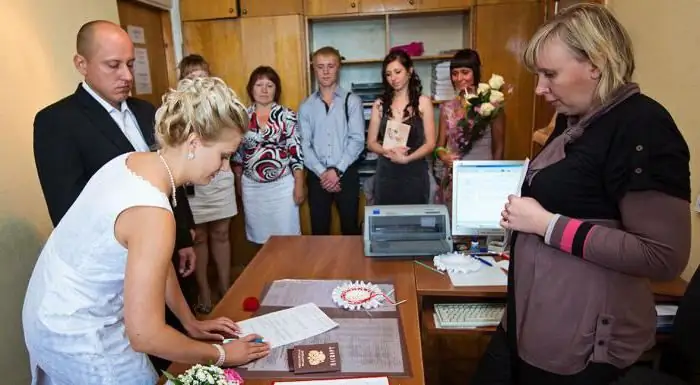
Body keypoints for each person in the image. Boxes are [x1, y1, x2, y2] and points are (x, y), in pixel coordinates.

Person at [471, 4, 691, 385]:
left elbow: (662, 256)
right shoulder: (574, 121)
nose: (539, 88)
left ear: (597, 63)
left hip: (579, 345)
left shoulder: (642, 126)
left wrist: (546, 225)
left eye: (549, 74)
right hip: (528, 323)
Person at [23, 76, 270, 385]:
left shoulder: (133, 161)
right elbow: (145, 336)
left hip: (47, 305)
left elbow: (156, 260)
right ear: (193, 142)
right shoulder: (153, 213)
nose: (223, 169)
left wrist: (189, 322)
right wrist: (223, 354)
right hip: (78, 330)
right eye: (223, 155)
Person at [32, 20, 198, 371]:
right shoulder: (57, 122)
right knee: (135, 351)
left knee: (169, 346)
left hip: (160, 253)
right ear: (82, 64)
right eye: (113, 65)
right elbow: (68, 210)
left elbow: (168, 178)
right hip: (113, 272)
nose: (126, 75)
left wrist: (181, 236)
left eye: (130, 64)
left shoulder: (145, 111)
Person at [177, 54, 237, 315]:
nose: (197, 82)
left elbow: (234, 135)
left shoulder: (221, 104)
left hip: (220, 176)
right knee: (198, 237)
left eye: (202, 76)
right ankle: (203, 291)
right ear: (182, 81)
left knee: (222, 234)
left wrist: (224, 157)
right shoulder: (175, 109)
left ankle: (225, 288)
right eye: (191, 77)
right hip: (192, 181)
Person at [232, 66, 303, 247]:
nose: (264, 90)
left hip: (282, 187)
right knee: (259, 240)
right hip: (253, 188)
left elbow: (296, 153)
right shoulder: (241, 117)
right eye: (259, 85)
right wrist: (239, 183)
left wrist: (299, 184)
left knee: (287, 239)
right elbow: (237, 155)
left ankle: (288, 274)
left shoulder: (287, 115)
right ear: (251, 89)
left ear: (276, 89)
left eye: (269, 85)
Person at [299, 46, 365, 235]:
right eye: (320, 67)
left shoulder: (352, 101)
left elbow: (357, 140)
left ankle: (351, 266)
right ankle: (322, 266)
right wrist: (323, 173)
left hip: (347, 174)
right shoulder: (306, 106)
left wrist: (336, 171)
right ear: (314, 69)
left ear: (338, 67)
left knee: (350, 229)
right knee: (319, 231)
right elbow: (305, 145)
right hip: (316, 176)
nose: (326, 71)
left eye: (331, 66)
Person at [432, 49, 505, 207]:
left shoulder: (491, 105)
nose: (459, 78)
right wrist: (444, 156)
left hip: (482, 177)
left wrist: (495, 178)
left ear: (476, 72)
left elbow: (499, 147)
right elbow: (439, 146)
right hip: (454, 178)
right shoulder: (447, 107)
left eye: (465, 72)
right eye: (455, 73)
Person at [366, 50, 435, 205]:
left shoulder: (423, 102)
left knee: (414, 223)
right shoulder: (379, 104)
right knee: (386, 223)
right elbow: (371, 142)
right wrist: (388, 151)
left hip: (414, 174)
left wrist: (406, 159)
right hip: (386, 175)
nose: (393, 78)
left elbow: (430, 143)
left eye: (397, 72)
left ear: (409, 71)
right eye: (388, 74)